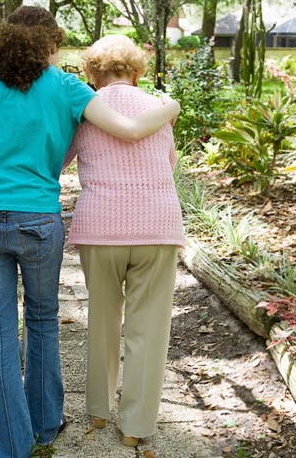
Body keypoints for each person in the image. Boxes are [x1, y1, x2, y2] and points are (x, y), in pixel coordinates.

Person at [0, 7, 179, 458]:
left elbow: (9, 141)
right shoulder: (70, 90)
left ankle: (20, 443)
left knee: (2, 333)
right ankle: (64, 426)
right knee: (46, 321)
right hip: (52, 218)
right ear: (52, 45)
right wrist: (170, 107)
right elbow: (145, 142)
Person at [62, 34, 185, 447]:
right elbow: (169, 164)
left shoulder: (85, 111)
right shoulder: (159, 108)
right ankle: (135, 428)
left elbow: (59, 160)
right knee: (148, 329)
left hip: (101, 228)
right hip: (158, 227)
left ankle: (98, 411)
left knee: (102, 319)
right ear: (136, 71)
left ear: (92, 74)